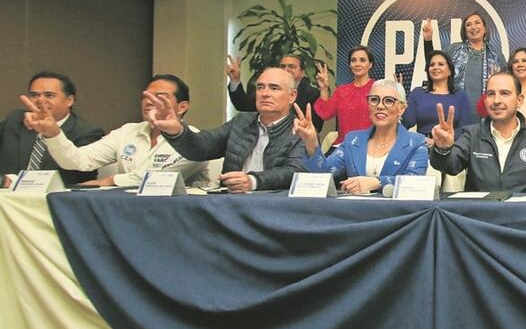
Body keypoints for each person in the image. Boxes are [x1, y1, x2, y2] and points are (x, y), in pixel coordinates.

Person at [28, 74, 212, 188]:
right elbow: (79, 161)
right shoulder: (127, 132)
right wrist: (53, 134)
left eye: (160, 97)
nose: (149, 102)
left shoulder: (194, 139)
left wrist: (109, 181)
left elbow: (156, 179)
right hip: (124, 208)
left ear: (181, 107)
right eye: (145, 97)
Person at [145, 67, 306, 192]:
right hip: (230, 205)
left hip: (274, 208)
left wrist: (252, 181)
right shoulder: (242, 121)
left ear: (292, 96)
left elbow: (293, 172)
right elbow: (202, 147)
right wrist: (177, 131)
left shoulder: (301, 129)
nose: (265, 94)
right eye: (260, 87)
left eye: (274, 88)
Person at [429, 71, 526, 193]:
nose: (497, 101)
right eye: (491, 94)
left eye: (505, 93)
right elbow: (450, 166)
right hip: (479, 216)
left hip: (524, 217)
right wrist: (443, 149)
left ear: (519, 100)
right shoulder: (472, 135)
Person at [295, 79, 428, 194]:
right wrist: (311, 143)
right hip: (355, 215)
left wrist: (377, 182)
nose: (380, 106)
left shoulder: (417, 143)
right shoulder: (353, 140)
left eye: (389, 101)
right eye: (374, 100)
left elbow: (414, 183)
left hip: (398, 216)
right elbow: (323, 176)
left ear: (402, 108)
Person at [1, 71, 103, 188]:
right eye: (34, 95)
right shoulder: (15, 120)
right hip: (6, 199)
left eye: (49, 95)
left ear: (69, 100)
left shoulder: (87, 133)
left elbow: (73, 178)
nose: (40, 100)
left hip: (52, 201)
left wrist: (15, 182)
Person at [422, 12, 507, 113]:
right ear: (465, 31)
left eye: (477, 23)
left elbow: (507, 85)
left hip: (489, 114)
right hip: (456, 113)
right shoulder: (453, 50)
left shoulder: (496, 56)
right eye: (468, 24)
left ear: (485, 29)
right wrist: (428, 40)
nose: (473, 27)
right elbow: (433, 63)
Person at [227, 53, 323, 132]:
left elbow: (316, 127)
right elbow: (243, 105)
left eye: (291, 66)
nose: (286, 70)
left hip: (296, 140)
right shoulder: (267, 88)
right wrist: (235, 80)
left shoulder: (312, 94)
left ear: (302, 72)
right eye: (283, 66)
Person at [478, 47, 526, 136]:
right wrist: (491, 87)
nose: (520, 64)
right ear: (511, 67)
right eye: (515, 62)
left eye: (524, 61)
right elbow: (482, 112)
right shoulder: (501, 90)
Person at [401, 50, 473, 138]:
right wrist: (399, 97)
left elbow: (465, 129)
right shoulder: (417, 93)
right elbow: (407, 122)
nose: (435, 67)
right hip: (423, 146)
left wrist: (439, 141)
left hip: (452, 146)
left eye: (441, 64)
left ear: (450, 70)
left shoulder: (461, 96)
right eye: (432, 65)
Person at [314, 45, 375, 141]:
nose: (357, 64)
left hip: (370, 145)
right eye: (353, 60)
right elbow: (325, 113)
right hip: (343, 146)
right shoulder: (342, 91)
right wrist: (324, 88)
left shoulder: (378, 89)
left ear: (370, 64)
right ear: (349, 65)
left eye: (362, 60)